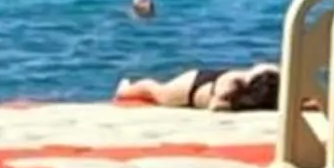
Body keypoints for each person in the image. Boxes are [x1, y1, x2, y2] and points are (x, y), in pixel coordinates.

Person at [114, 60, 280, 113]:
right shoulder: (233, 86)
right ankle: (125, 90)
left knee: (155, 90)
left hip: (213, 79)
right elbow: (215, 106)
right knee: (155, 90)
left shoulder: (270, 76)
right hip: (193, 88)